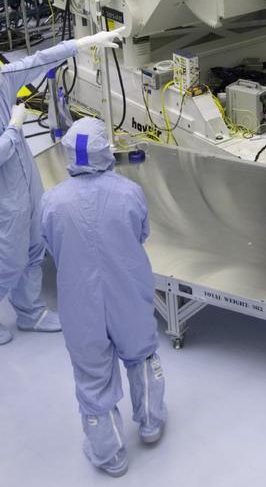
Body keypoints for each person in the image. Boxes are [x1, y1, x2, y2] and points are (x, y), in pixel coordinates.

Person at [0, 31, 123, 346]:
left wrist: (84, 43)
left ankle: (30, 312)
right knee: (8, 261)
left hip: (25, 178)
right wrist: (16, 123)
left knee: (33, 248)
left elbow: (38, 61)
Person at [40, 117, 165, 477]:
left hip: (80, 301)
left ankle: (109, 454)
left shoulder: (53, 201)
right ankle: (151, 423)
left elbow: (52, 246)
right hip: (128, 290)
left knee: (93, 375)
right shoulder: (128, 192)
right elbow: (141, 232)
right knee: (141, 356)